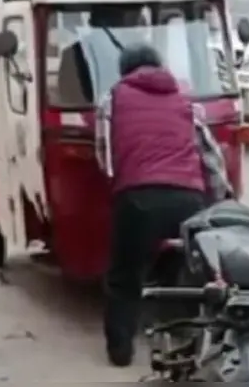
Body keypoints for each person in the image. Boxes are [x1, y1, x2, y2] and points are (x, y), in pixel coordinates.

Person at [94, 43, 232, 367]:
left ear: (126, 70)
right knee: (181, 275)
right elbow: (211, 158)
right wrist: (219, 200)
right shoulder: (186, 101)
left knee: (124, 277)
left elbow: (106, 156)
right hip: (188, 198)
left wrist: (121, 185)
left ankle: (121, 352)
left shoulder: (113, 98)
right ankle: (183, 348)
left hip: (138, 196)